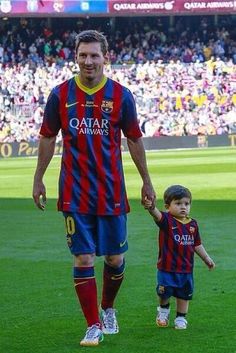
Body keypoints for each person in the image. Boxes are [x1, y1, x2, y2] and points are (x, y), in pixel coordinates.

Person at [32, 30, 155, 347]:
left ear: (105, 57)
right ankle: (93, 325)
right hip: (74, 193)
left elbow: (134, 139)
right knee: (83, 259)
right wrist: (38, 177)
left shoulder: (121, 95)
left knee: (114, 259)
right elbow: (47, 137)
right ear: (75, 57)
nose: (88, 61)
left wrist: (146, 181)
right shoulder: (60, 95)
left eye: (94, 55)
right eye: (83, 55)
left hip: (112, 192)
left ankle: (108, 308)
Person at [144, 184, 215, 330]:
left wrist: (206, 258)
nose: (183, 207)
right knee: (164, 292)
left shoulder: (193, 224)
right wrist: (151, 207)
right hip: (166, 268)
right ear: (167, 206)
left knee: (184, 295)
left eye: (186, 204)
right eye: (178, 203)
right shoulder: (167, 220)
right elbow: (156, 214)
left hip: (186, 269)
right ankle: (163, 311)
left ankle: (181, 318)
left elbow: (196, 244)